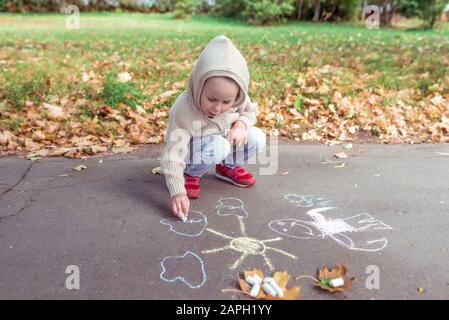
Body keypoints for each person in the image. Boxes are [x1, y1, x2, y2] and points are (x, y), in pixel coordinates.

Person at [160, 35, 266, 219]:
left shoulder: (238, 98)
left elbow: (249, 112)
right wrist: (177, 191)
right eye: (211, 99)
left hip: (219, 140)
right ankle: (191, 173)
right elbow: (173, 154)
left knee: (257, 137)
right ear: (199, 86)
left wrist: (241, 124)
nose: (218, 108)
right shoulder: (185, 109)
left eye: (226, 102)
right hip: (193, 152)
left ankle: (227, 167)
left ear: (237, 95)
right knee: (219, 145)